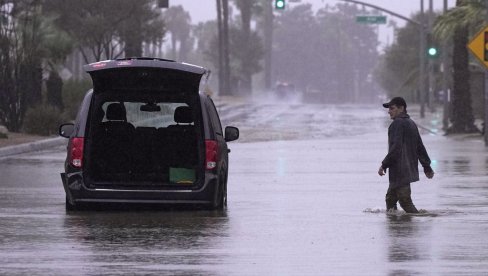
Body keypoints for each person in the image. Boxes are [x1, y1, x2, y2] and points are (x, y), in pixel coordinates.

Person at [378, 97, 434, 213]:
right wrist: (426, 166)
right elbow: (420, 147)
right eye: (389, 109)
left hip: (400, 171)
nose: (389, 111)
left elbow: (395, 149)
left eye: (392, 108)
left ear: (401, 108)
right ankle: (397, 227)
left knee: (405, 201)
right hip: (407, 170)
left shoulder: (397, 124)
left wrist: (384, 165)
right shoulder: (411, 123)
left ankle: (411, 228)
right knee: (390, 200)